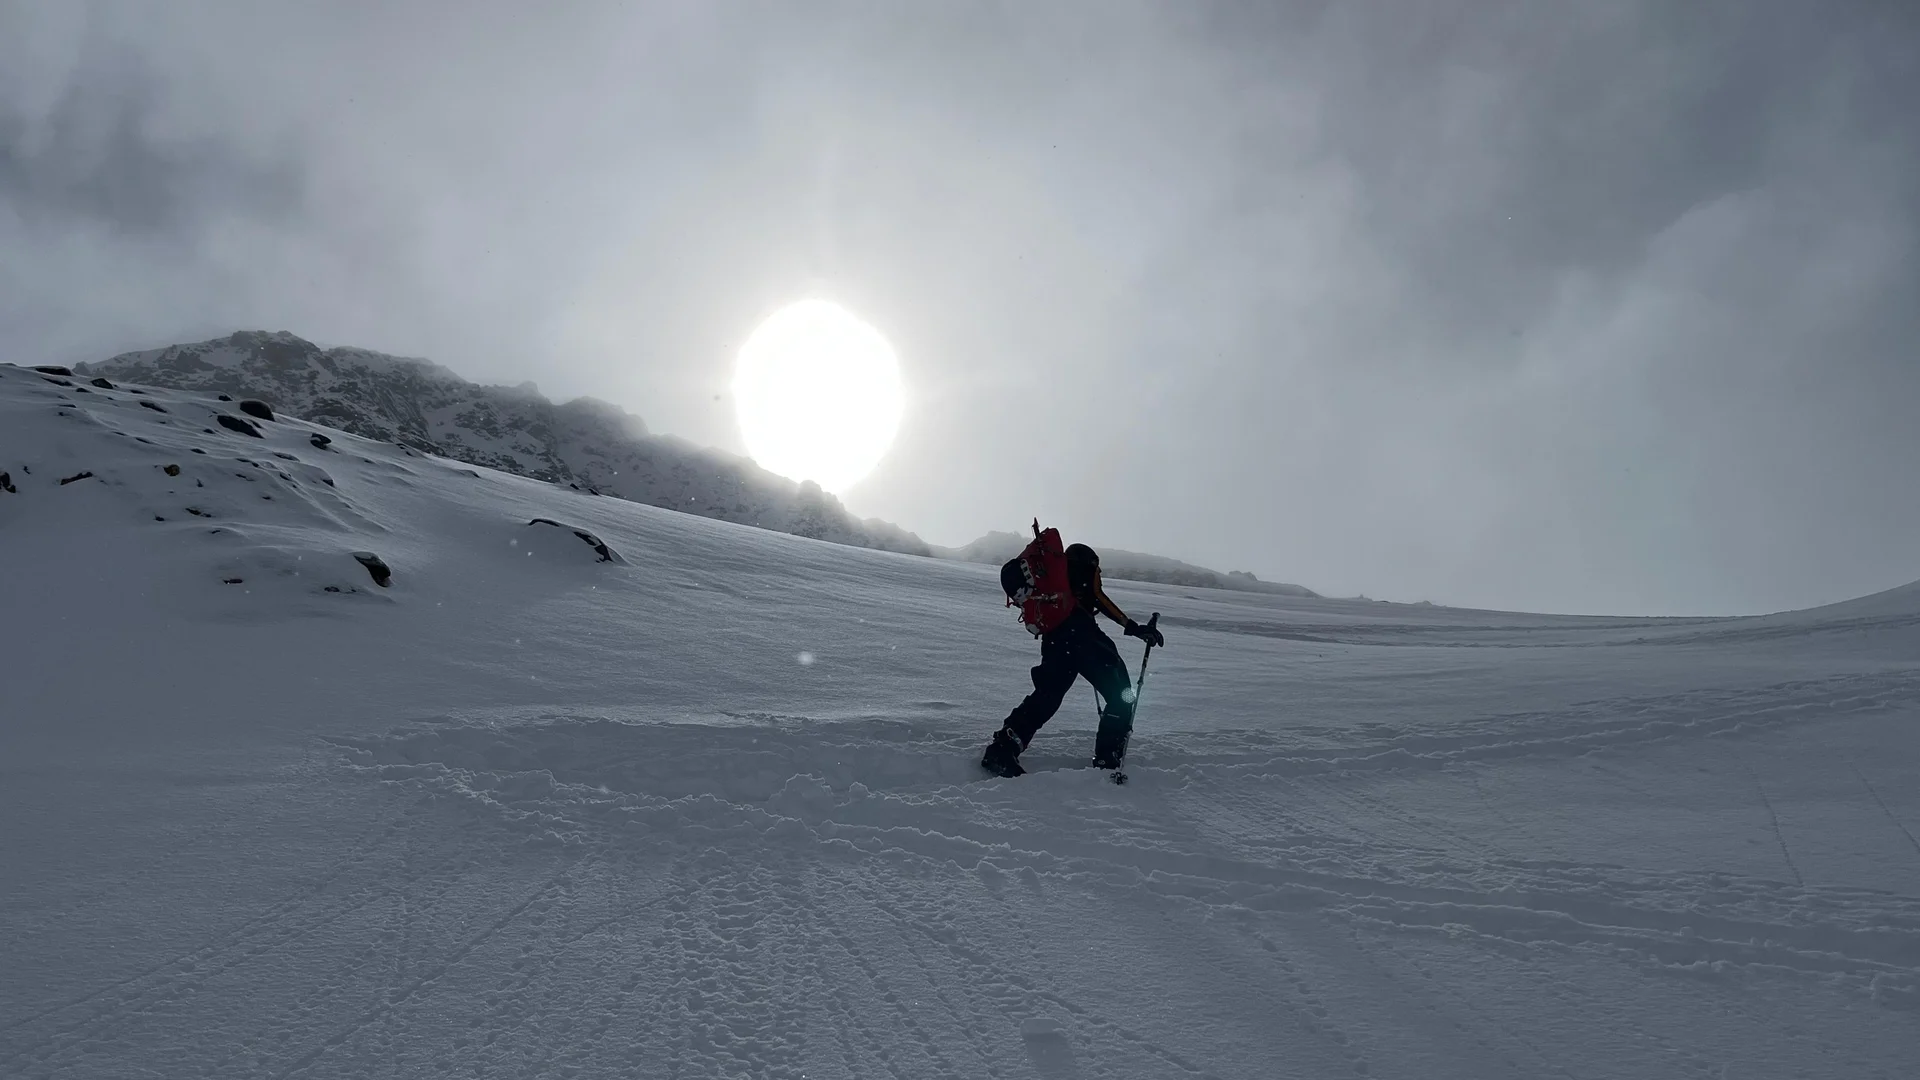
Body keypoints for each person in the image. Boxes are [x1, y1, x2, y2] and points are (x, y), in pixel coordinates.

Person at [982, 541, 1165, 776]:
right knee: (1122, 694)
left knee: (1048, 694)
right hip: (1083, 634)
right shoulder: (1084, 566)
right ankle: (1107, 758)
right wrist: (1132, 627)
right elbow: (1098, 595)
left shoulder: (1055, 580)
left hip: (1056, 638)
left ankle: (1003, 747)